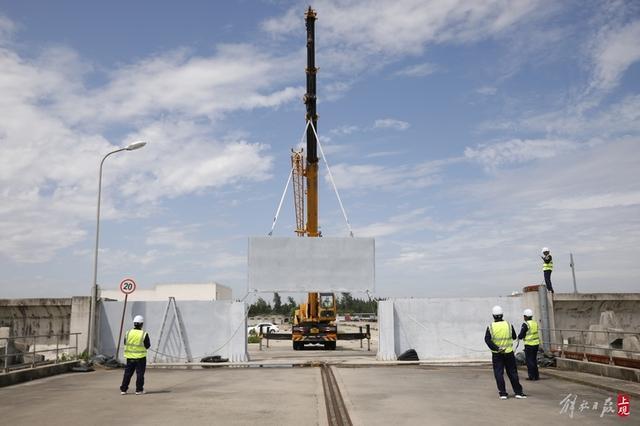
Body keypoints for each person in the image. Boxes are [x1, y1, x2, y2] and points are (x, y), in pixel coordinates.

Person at [484, 305, 526, 400]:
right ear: (502, 315)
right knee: (512, 372)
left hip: (497, 354)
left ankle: (503, 393)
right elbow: (514, 337)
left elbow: (487, 340)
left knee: (499, 373)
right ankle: (518, 393)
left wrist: (497, 347)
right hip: (509, 353)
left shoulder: (490, 327)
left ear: (493, 316)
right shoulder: (508, 325)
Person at [120, 315, 151, 395]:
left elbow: (125, 342)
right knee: (140, 374)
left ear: (134, 323)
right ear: (141, 324)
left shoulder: (128, 333)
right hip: (140, 358)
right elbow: (147, 345)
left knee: (127, 374)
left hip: (129, 357)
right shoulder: (144, 334)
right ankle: (139, 390)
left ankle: (123, 389)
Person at [518, 308, 540, 381]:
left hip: (529, 345)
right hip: (536, 344)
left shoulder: (525, 324)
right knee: (534, 360)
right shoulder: (535, 323)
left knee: (529, 361)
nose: (524, 317)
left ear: (526, 316)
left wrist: (519, 337)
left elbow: (521, 335)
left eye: (524, 316)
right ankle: (536, 376)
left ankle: (531, 376)